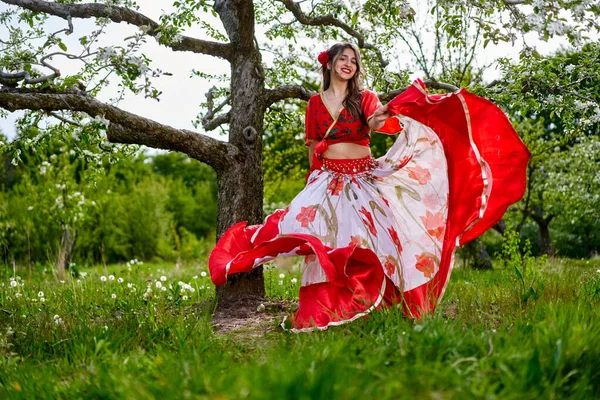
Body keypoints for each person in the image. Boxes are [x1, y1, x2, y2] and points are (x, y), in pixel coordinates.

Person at [209, 42, 531, 332]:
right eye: (342, 58)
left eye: (353, 60)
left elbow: (378, 123)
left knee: (376, 240)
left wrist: (384, 114)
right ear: (330, 64)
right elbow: (313, 146)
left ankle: (375, 300)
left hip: (363, 177)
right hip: (328, 179)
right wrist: (312, 178)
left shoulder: (364, 98)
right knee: (315, 235)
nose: (348, 64)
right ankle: (326, 305)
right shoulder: (314, 105)